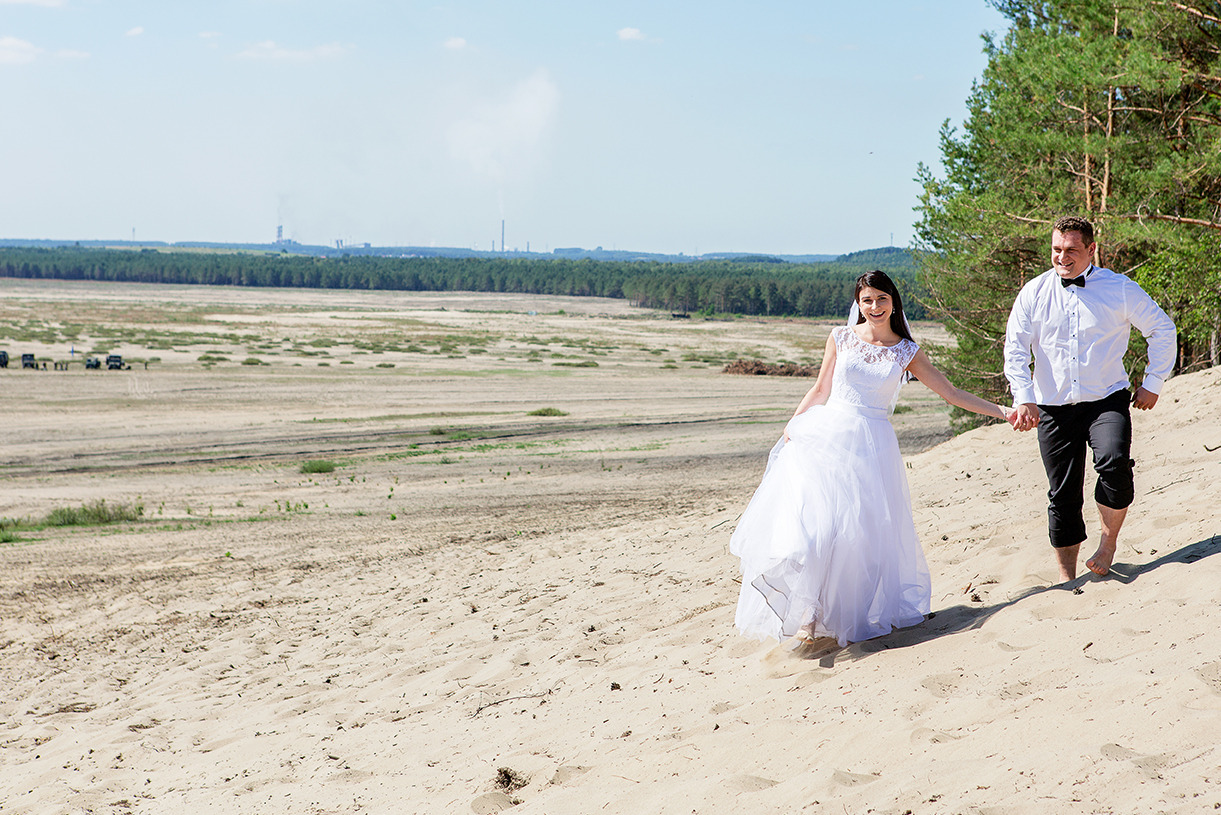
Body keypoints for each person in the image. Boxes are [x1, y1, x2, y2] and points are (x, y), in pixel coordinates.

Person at [731, 270, 1016, 648]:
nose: (875, 306)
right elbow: (821, 388)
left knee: (854, 537)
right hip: (826, 437)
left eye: (881, 298)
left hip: (871, 447)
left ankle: (838, 615)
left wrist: (1005, 411)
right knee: (815, 530)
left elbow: (950, 393)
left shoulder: (906, 351)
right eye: (867, 300)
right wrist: (792, 426)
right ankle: (807, 617)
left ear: (893, 301)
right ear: (858, 304)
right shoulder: (840, 337)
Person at [1004, 216, 1176, 582]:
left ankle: (1108, 543)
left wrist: (1154, 381)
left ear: (1091, 249)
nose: (1062, 257)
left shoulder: (1120, 289)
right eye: (1056, 249)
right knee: (1063, 495)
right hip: (1051, 407)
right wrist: (1024, 397)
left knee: (1114, 466)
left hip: (1106, 400)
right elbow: (1015, 349)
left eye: (1071, 250)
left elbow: (1162, 329)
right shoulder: (1033, 294)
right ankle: (1069, 579)